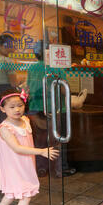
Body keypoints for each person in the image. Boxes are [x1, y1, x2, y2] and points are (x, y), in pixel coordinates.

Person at [0, 88, 59, 205]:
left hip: (25, 163)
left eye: (20, 105)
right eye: (12, 107)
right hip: (14, 166)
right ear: (3, 109)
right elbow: (17, 148)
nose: (17, 109)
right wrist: (41, 152)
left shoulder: (26, 120)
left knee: (13, 192)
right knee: (25, 196)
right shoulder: (5, 128)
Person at [25, 41, 76, 178]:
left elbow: (28, 88)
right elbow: (65, 90)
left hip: (36, 108)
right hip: (54, 109)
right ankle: (57, 170)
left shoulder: (32, 68)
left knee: (40, 140)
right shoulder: (56, 68)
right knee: (55, 140)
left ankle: (41, 169)